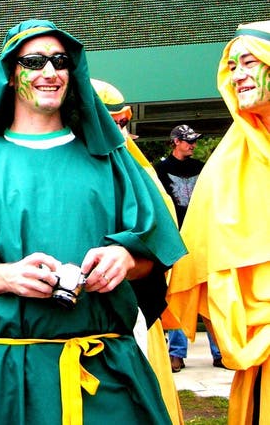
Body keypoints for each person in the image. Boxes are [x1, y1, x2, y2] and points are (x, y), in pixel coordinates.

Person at [0, 19, 186, 425]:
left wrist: (126, 260)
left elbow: (153, 257)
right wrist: (7, 277)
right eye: (34, 62)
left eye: (60, 61)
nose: (50, 71)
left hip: (104, 375)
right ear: (10, 74)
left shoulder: (111, 160)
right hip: (3, 378)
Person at [169, 21, 270, 425]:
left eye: (249, 62)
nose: (238, 75)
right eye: (231, 66)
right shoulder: (226, 165)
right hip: (262, 358)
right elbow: (207, 266)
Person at [91, 79, 184, 425]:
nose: (118, 132)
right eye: (109, 121)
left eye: (123, 123)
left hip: (135, 314)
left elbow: (164, 244)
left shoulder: (140, 173)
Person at [155, 124, 225, 371]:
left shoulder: (201, 168)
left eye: (195, 140)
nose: (193, 145)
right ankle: (176, 353)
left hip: (203, 237)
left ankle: (220, 352)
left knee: (209, 291)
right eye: (188, 141)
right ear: (175, 141)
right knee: (178, 293)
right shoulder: (160, 170)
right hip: (176, 239)